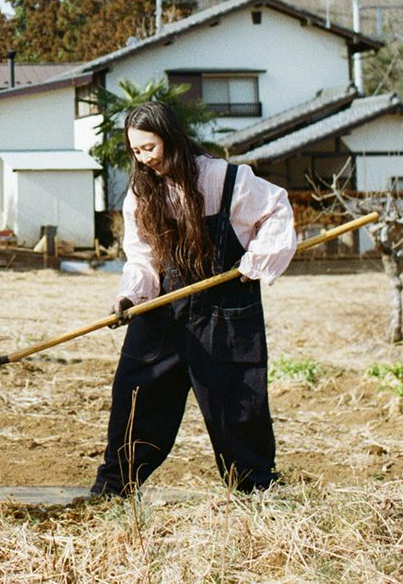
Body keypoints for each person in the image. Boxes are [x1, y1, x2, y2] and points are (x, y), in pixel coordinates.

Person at [91, 100, 296, 496]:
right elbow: (142, 257)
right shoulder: (141, 192)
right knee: (137, 395)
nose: (144, 159)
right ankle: (114, 490)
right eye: (136, 151)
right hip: (163, 309)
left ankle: (255, 490)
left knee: (237, 402)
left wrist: (254, 261)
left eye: (149, 147)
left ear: (170, 137)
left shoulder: (226, 178)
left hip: (227, 309)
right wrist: (130, 296)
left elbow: (276, 209)